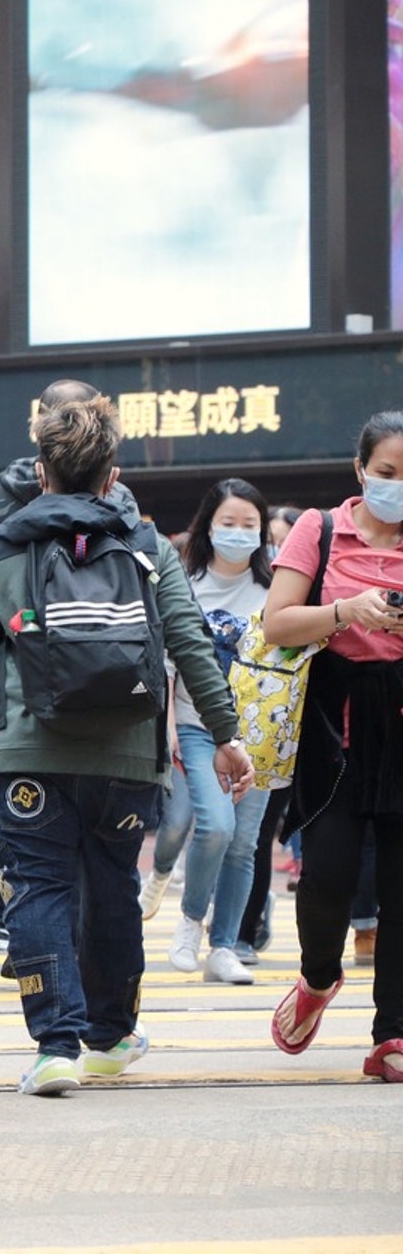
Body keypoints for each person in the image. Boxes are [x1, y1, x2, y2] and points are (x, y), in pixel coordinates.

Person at [0, 381, 252, 1098]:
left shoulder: (0, 543)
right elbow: (188, 642)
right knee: (114, 888)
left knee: (39, 890)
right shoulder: (146, 544)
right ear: (112, 476)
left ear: (41, 471)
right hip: (128, 755)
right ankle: (112, 1034)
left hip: (28, 751)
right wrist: (225, 735)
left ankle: (55, 1046)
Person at [262, 411, 403, 1082]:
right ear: (360, 471)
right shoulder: (319, 529)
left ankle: (393, 1035)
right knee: (328, 876)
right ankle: (319, 977)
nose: (397, 486)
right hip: (335, 722)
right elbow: (276, 623)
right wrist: (349, 611)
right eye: (387, 473)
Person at [138, 479, 275, 985]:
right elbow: (168, 663)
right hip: (198, 726)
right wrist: (172, 725)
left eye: (249, 525)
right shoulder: (186, 580)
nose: (239, 534)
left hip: (260, 732)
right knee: (214, 825)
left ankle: (224, 948)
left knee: (244, 843)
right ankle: (191, 922)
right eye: (228, 523)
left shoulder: (276, 585)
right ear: (208, 526)